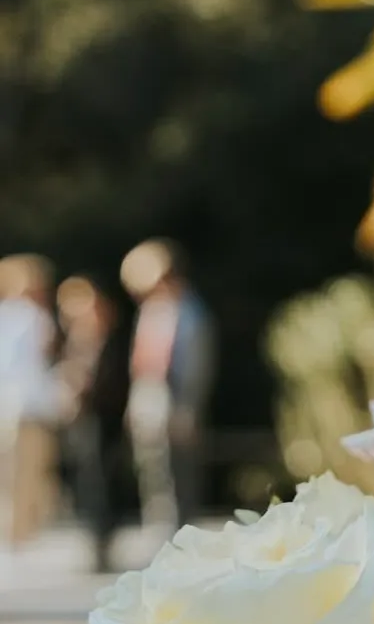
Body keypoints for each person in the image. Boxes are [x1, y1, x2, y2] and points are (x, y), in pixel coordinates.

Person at [120, 240, 215, 531]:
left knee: (180, 475)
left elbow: (196, 366)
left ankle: (181, 535)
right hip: (149, 403)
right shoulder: (151, 312)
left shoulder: (190, 312)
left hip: (176, 403)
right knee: (153, 473)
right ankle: (159, 529)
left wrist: (189, 408)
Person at [55, 276, 131, 572]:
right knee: (86, 479)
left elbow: (113, 380)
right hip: (83, 419)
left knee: (104, 479)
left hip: (104, 416)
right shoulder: (78, 339)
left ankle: (104, 541)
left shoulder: (113, 339)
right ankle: (93, 539)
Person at [0, 254, 61, 546]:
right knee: (26, 473)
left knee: (14, 474)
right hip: (28, 407)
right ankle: (19, 535)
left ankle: (16, 533)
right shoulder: (32, 317)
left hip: (14, 406)